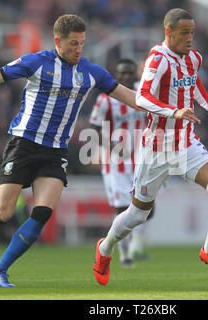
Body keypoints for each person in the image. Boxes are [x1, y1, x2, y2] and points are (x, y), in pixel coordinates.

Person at [0, 14, 196, 288]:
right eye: (73, 43)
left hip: (55, 151)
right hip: (23, 144)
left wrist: (170, 110)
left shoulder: (91, 72)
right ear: (58, 41)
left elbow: (131, 96)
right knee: (3, 213)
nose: (78, 49)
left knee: (42, 213)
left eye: (82, 43)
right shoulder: (37, 61)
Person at [93, 8, 208, 286]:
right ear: (168, 32)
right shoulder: (158, 59)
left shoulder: (194, 58)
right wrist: (173, 112)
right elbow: (142, 98)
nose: (190, 38)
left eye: (192, 33)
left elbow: (194, 85)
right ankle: (105, 249)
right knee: (137, 214)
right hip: (157, 148)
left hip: (187, 143)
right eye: (184, 33)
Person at [89, 58, 153, 268]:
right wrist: (113, 145)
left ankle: (134, 244)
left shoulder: (143, 94)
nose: (126, 76)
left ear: (135, 74)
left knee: (148, 207)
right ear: (116, 75)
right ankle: (124, 253)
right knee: (122, 208)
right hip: (115, 162)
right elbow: (94, 128)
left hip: (142, 159)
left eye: (129, 73)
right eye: (122, 73)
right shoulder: (105, 99)